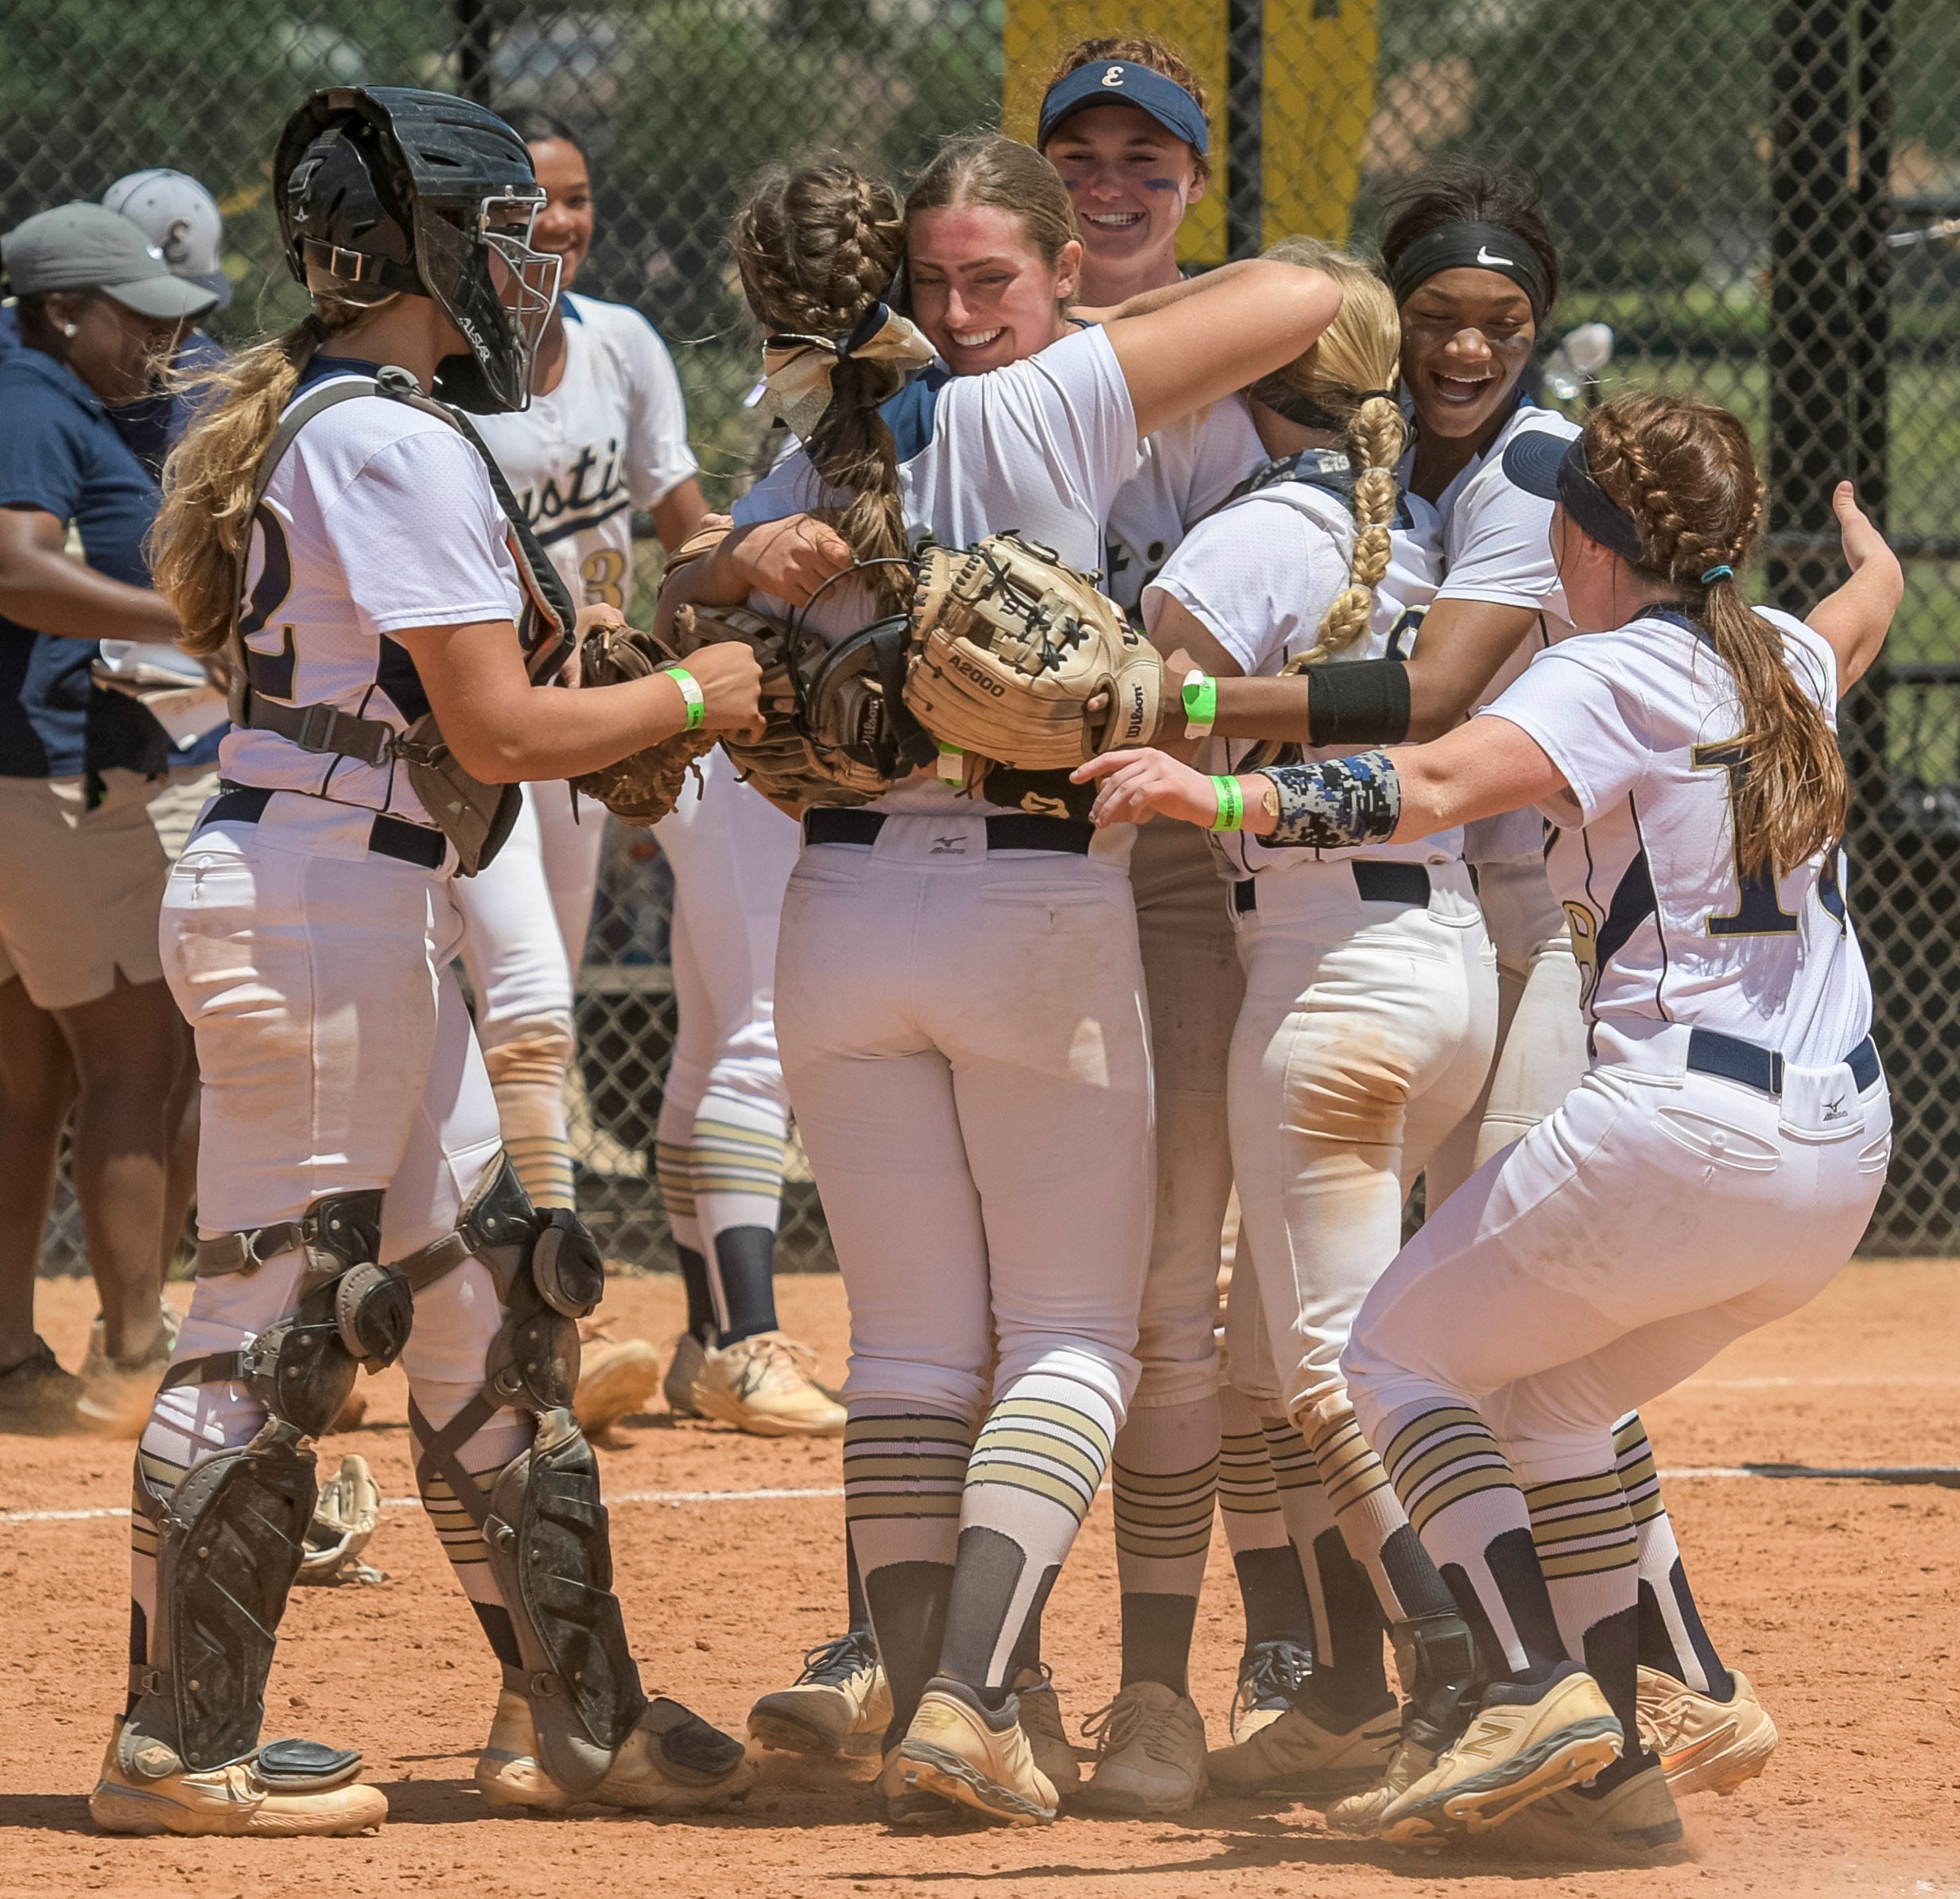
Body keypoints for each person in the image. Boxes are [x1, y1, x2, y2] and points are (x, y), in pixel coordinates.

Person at [1075, 390, 1899, 1854]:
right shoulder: (1778, 655)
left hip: (1681, 1128)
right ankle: (1647, 1724)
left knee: (1392, 1358)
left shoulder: (1612, 668)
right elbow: (1857, 614)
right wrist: (1872, 557)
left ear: (1585, 540)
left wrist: (1217, 801)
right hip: (1837, 1162)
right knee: (1551, 1400)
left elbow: (1434, 780)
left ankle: (1528, 1688)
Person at [87, 86, 762, 1838]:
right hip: (316, 907)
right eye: (505, 236)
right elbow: (497, 721)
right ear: (427, 251)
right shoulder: (381, 439)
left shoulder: (367, 417)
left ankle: (579, 1721)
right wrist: (704, 695)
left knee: (487, 1307)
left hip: (366, 900)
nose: (530, 269)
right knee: (276, 1333)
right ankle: (181, 1745)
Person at [659, 139, 1341, 1827]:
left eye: (991, 282)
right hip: (1035, 916)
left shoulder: (825, 436)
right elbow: (1315, 294)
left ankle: (944, 1709)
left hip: (837, 920)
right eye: (944, 281)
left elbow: (680, 590)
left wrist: (743, 569)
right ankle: (968, 1698)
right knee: (1071, 1334)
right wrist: (1103, 308)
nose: (969, 316)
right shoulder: (1036, 402)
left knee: (902, 1348)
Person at [1118, 243, 1500, 1812]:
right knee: (1286, 1368)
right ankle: (1348, 1689)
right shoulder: (1421, 526)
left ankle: (1477, 1677)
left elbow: (1142, 705)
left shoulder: (1250, 540)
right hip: (1450, 959)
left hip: (1325, 980)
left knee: (1338, 1372)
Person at [458, 111, 835, 1439]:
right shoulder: (443, 365)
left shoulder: (620, 344)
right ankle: (560, 1320)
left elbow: (683, 527)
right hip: (505, 723)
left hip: (641, 709)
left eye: (574, 199)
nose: (557, 225)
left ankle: (719, 1342)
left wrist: (749, 572)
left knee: (732, 997)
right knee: (532, 1011)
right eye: (529, 205)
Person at [1035, 38, 1271, 1817]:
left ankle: (1160, 1690)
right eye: (1083, 157)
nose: (1113, 186)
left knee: (1174, 1287)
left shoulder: (1254, 373)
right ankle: (956, 1662)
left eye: (1149, 160)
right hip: (993, 863)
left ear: (1195, 185)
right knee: (998, 1292)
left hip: (1178, 858)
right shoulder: (980, 353)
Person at [0, 203, 217, 1435]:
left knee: (27, 1071)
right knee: (142, 1056)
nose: (162, 334)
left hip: (30, 765)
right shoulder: (32, 395)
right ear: (64, 309)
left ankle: (9, 1362)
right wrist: (177, 625)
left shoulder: (32, 381)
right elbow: (18, 567)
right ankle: (138, 1355)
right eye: (137, 313)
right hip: (44, 771)